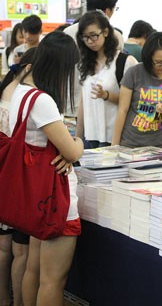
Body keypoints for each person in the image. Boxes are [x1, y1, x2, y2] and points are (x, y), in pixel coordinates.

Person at [8, 31, 84, 306]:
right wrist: (77, 142)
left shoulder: (20, 91)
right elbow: (72, 150)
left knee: (34, 270)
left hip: (38, 197)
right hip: (56, 200)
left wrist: (64, 148)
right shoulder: (42, 101)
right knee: (53, 281)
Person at [0, 48, 36, 306]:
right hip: (20, 179)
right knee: (20, 250)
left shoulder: (7, 87)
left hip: (5, 176)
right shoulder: (26, 95)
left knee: (4, 248)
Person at [75, 11, 137, 149]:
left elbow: (135, 100)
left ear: (106, 32)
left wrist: (107, 95)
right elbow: (83, 102)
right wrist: (77, 138)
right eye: (85, 37)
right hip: (90, 136)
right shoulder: (84, 64)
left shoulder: (124, 62)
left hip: (116, 136)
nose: (90, 41)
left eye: (94, 36)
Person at [112, 32, 162, 148]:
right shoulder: (134, 73)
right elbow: (122, 110)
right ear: (148, 57)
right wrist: (114, 146)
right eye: (158, 62)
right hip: (131, 143)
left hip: (160, 145)